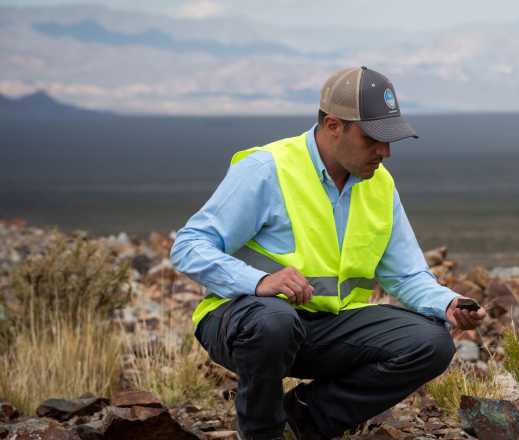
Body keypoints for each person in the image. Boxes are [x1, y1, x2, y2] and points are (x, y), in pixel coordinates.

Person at [170, 66, 485, 440]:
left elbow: (406, 275)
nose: (385, 152)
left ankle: (301, 422)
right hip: (246, 323)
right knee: (274, 321)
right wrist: (259, 282)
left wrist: (447, 304)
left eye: (390, 140)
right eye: (373, 139)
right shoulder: (267, 168)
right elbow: (188, 246)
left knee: (431, 343)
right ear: (334, 125)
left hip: (324, 329)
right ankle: (260, 432)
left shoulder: (379, 184)